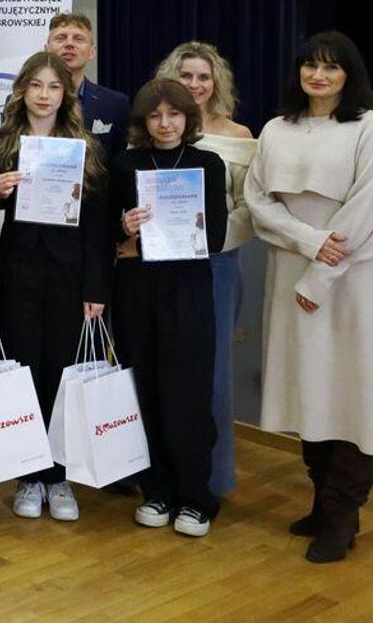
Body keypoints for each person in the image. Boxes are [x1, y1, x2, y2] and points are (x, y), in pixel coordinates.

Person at [244, 31, 373, 563]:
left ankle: (342, 514)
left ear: (349, 74)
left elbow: (372, 210)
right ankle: (323, 500)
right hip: (294, 270)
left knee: (357, 392)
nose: (319, 76)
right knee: (309, 389)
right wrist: (309, 242)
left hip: (355, 280)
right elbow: (258, 200)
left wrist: (320, 275)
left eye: (331, 67)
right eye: (310, 65)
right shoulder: (276, 129)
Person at [0, 50, 112, 522]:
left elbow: (97, 228)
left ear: (67, 94)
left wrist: (95, 289)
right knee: (23, 373)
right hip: (15, 274)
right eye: (36, 85)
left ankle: (59, 476)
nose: (44, 95)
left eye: (54, 87)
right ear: (23, 90)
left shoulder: (85, 148)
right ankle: (29, 475)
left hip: (69, 277)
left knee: (63, 375)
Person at [111, 79, 227, 538]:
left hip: (188, 291)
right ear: (142, 121)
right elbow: (108, 233)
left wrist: (184, 228)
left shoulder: (207, 164)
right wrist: (125, 226)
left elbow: (215, 235)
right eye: (155, 115)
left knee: (188, 394)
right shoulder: (126, 163)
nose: (164, 124)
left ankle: (196, 497)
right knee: (145, 390)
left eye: (173, 114)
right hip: (136, 290)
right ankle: (156, 489)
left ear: (187, 117)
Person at [154, 41, 254, 496]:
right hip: (159, 266)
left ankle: (212, 480)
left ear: (216, 84)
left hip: (217, 265)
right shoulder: (156, 128)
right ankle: (163, 475)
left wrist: (210, 239)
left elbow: (250, 209)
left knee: (213, 377)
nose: (194, 85)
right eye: (186, 75)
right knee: (163, 370)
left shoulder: (238, 136)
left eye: (203, 77)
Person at [44, 13, 128, 157]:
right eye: (61, 38)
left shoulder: (115, 104)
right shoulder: (23, 101)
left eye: (78, 39)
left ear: (92, 52)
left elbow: (117, 161)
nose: (69, 44)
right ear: (46, 50)